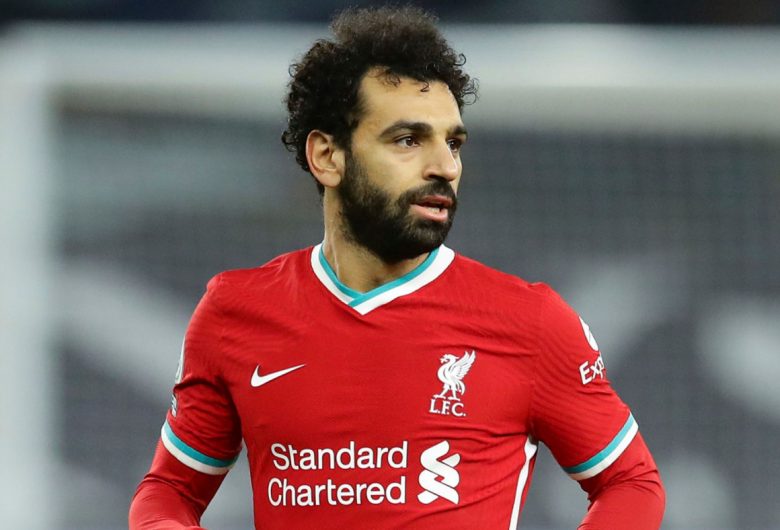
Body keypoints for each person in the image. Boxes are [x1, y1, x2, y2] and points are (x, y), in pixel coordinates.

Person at [129, 6, 665, 529]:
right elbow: (170, 492)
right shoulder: (235, 312)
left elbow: (631, 483)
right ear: (327, 157)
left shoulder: (531, 320)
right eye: (408, 140)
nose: (445, 166)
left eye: (453, 142)